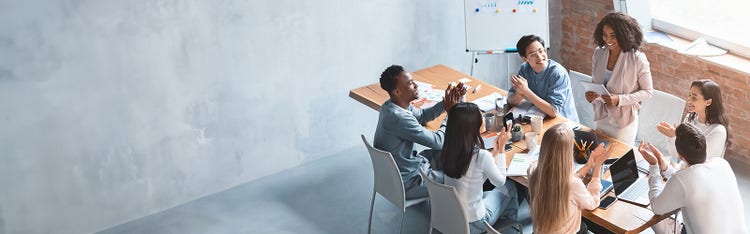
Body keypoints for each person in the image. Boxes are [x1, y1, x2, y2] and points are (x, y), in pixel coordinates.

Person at [373, 65, 466, 199]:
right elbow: (438, 142)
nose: (416, 85)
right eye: (410, 83)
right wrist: (451, 113)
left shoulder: (392, 105)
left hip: (408, 166)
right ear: (397, 92)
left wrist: (446, 102)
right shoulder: (398, 118)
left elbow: (422, 116)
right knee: (461, 178)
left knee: (458, 154)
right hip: (410, 182)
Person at [639, 123, 747, 234]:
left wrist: (654, 166)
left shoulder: (683, 179)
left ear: (680, 155)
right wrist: (665, 167)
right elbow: (690, 180)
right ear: (706, 146)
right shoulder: (722, 163)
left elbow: (657, 207)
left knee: (646, 214)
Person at [440, 102, 519, 233]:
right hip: (474, 222)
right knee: (510, 187)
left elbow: (474, 173)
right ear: (472, 126)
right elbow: (500, 182)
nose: (483, 119)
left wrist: (493, 152)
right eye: (480, 117)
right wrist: (501, 149)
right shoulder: (480, 156)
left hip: (453, 216)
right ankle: (512, 230)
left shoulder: (450, 148)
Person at [528, 124, 613, 234]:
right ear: (568, 153)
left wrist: (588, 166)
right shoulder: (573, 184)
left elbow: (560, 178)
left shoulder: (533, 170)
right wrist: (597, 166)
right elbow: (592, 203)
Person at [586, 12, 653, 145]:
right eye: (605, 34)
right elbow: (596, 83)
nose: (607, 39)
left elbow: (648, 92)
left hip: (623, 122)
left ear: (624, 35)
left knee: (617, 159)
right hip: (602, 116)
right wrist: (590, 95)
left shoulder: (637, 59)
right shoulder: (599, 53)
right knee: (599, 154)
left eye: (613, 35)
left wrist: (619, 100)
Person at [507, 35, 580, 122]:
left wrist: (526, 91)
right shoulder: (525, 69)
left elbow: (554, 111)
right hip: (539, 117)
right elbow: (510, 100)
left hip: (563, 123)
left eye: (541, 51)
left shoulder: (557, 73)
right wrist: (518, 96)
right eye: (533, 54)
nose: (539, 56)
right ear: (525, 59)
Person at [657, 79, 729, 159]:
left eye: (694, 97)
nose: (688, 100)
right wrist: (672, 137)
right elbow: (676, 154)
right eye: (689, 95)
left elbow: (699, 161)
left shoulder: (718, 132)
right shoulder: (690, 118)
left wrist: (675, 137)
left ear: (708, 102)